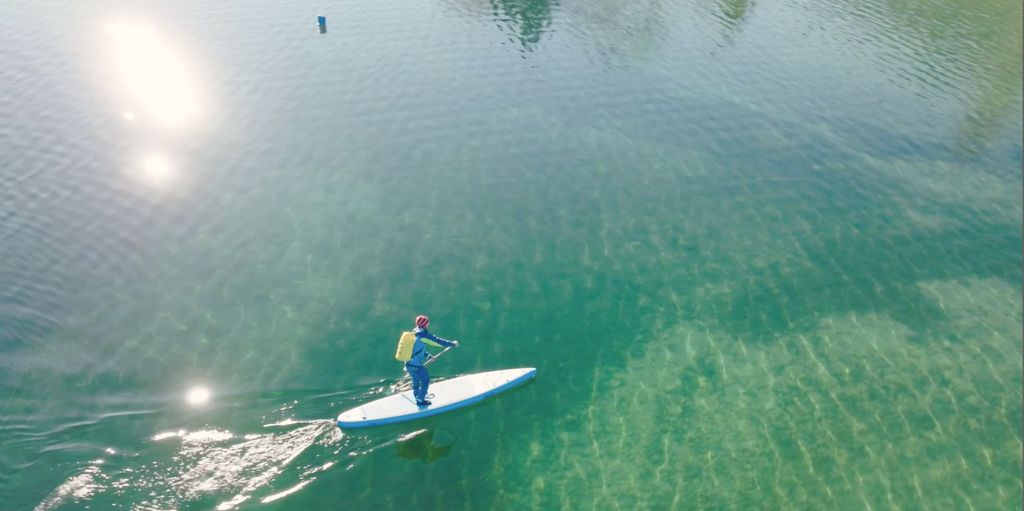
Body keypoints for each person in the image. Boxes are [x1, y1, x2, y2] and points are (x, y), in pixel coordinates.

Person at [406, 315, 458, 406]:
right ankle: (420, 400)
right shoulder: (424, 336)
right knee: (425, 381)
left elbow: (417, 350)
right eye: (427, 322)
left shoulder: (413, 333)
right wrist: (452, 344)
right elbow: (438, 341)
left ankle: (416, 394)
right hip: (416, 366)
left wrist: (429, 357)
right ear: (426, 324)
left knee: (415, 378)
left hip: (408, 364)